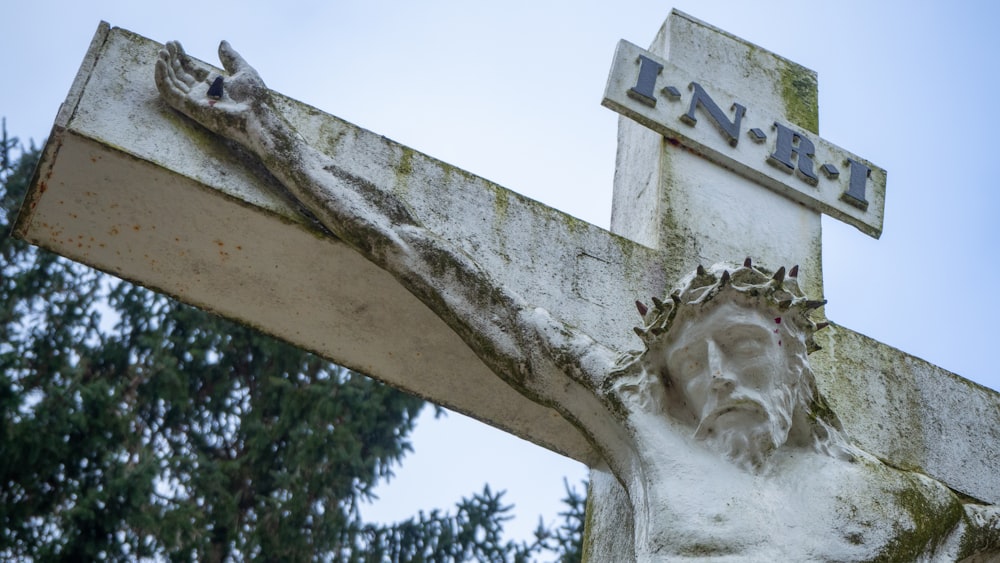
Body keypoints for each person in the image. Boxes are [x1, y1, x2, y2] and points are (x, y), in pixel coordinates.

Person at [156, 41, 1000, 562]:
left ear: (791, 352)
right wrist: (276, 142)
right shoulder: (645, 426)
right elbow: (439, 268)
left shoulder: (909, 504)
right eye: (689, 366)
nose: (713, 382)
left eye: (738, 348)